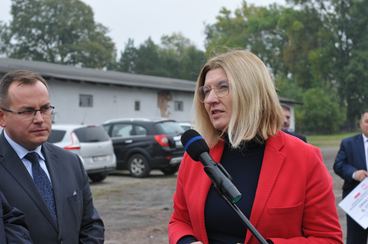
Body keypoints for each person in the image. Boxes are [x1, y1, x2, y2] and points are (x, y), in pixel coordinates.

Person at [168, 50, 342, 244]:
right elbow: (179, 221)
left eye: (222, 87)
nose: (210, 99)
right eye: (206, 91)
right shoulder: (198, 155)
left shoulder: (304, 158)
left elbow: (328, 239)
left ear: (251, 91)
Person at [0, 70, 104, 243]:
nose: (40, 119)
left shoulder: (71, 162)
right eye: (27, 111)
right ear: (2, 117)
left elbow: (91, 225)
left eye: (45, 108)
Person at [333, 110, 368, 244]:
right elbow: (339, 165)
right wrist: (354, 173)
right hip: (357, 202)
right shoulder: (348, 143)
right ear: (360, 124)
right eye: (366, 121)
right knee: (356, 240)